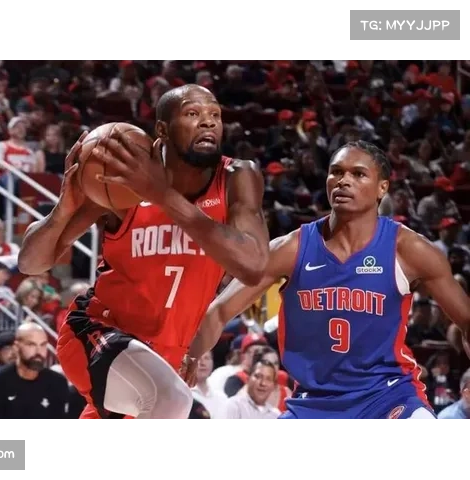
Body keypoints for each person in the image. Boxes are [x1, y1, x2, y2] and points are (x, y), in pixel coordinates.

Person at [18, 84, 270, 421]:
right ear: (162, 130)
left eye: (215, 114)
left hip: (164, 360)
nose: (208, 122)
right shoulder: (124, 176)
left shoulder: (237, 176)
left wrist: (163, 195)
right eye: (192, 114)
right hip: (98, 333)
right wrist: (63, 210)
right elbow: (31, 263)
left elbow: (253, 266)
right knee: (172, 399)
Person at [187, 140, 470, 421]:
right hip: (313, 402)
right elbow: (219, 311)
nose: (343, 181)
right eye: (336, 172)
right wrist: (188, 356)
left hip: (387, 395)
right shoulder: (291, 248)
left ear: (382, 188)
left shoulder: (408, 249)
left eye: (358, 174)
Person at [0, 323, 71, 423]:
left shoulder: (57, 382)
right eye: (31, 344)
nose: (38, 352)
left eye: (43, 345)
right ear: (16, 347)